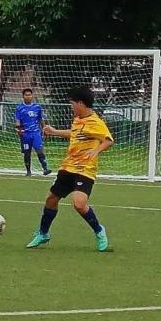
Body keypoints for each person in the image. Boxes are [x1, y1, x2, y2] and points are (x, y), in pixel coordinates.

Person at [26, 85, 113, 252]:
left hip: (85, 169)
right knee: (51, 199)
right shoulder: (78, 118)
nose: (71, 107)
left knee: (79, 204)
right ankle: (43, 233)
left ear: (80, 103)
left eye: (72, 104)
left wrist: (95, 151)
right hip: (68, 166)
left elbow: (108, 140)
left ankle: (99, 231)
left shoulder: (96, 122)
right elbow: (74, 133)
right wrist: (54, 131)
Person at [15, 88, 51, 177]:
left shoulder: (37, 107)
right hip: (25, 134)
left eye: (29, 95)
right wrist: (19, 130)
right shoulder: (19, 108)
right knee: (27, 153)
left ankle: (45, 169)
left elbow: (41, 119)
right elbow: (17, 120)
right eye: (26, 95)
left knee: (39, 150)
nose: (28, 96)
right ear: (23, 96)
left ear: (32, 96)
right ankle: (28, 171)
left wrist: (45, 129)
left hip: (36, 133)